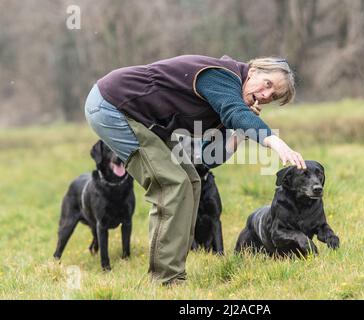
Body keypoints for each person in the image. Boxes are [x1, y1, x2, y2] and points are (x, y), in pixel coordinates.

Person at [84, 54, 306, 285]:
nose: (265, 95)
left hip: (138, 118)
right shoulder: (220, 75)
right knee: (171, 184)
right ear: (254, 71)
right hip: (112, 106)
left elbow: (209, 158)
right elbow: (235, 112)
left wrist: (241, 132)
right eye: (267, 84)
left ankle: (174, 272)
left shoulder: (225, 100)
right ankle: (166, 281)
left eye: (273, 97)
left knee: (191, 181)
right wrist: (273, 140)